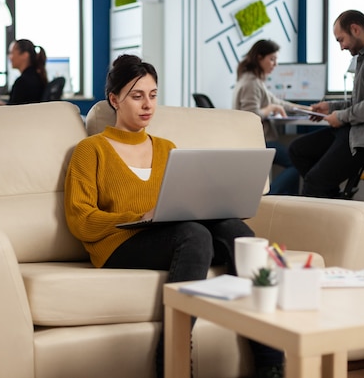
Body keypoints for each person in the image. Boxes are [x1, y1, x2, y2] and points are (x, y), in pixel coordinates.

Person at [64, 54, 284, 378]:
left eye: (153, 95)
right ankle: (172, 364)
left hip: (167, 232)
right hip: (118, 243)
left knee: (238, 233)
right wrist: (138, 216)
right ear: (114, 100)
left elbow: (186, 202)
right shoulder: (90, 150)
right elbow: (80, 219)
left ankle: (270, 363)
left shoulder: (167, 148)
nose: (147, 105)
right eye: (137, 96)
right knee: (194, 236)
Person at [288, 10, 364, 198]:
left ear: (355, 29)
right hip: (359, 130)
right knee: (298, 150)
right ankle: (333, 199)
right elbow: (360, 102)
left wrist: (340, 116)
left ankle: (327, 200)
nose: (341, 47)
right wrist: (330, 108)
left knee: (314, 182)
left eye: (341, 40)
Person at [232, 39, 309, 195]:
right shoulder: (251, 83)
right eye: (272, 59)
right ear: (259, 57)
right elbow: (250, 116)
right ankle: (271, 198)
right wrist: (270, 109)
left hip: (262, 140)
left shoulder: (255, 81)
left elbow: (278, 102)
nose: (275, 64)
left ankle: (287, 203)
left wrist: (309, 109)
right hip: (259, 141)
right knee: (298, 162)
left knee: (295, 161)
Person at [0, 39, 48, 105]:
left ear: (25, 55)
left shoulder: (22, 82)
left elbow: (14, 111)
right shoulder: (38, 77)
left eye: (12, 53)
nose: (10, 57)